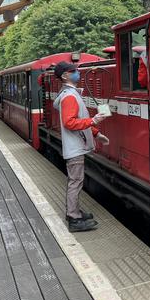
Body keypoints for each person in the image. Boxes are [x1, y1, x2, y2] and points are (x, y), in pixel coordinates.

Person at [52, 61, 109, 232]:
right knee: (75, 181)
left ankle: (75, 212)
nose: (78, 72)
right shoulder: (69, 96)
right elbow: (70, 122)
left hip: (77, 145)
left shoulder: (70, 94)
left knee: (76, 180)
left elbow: (79, 118)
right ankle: (73, 218)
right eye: (74, 71)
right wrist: (93, 120)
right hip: (75, 147)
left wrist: (96, 133)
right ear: (65, 75)